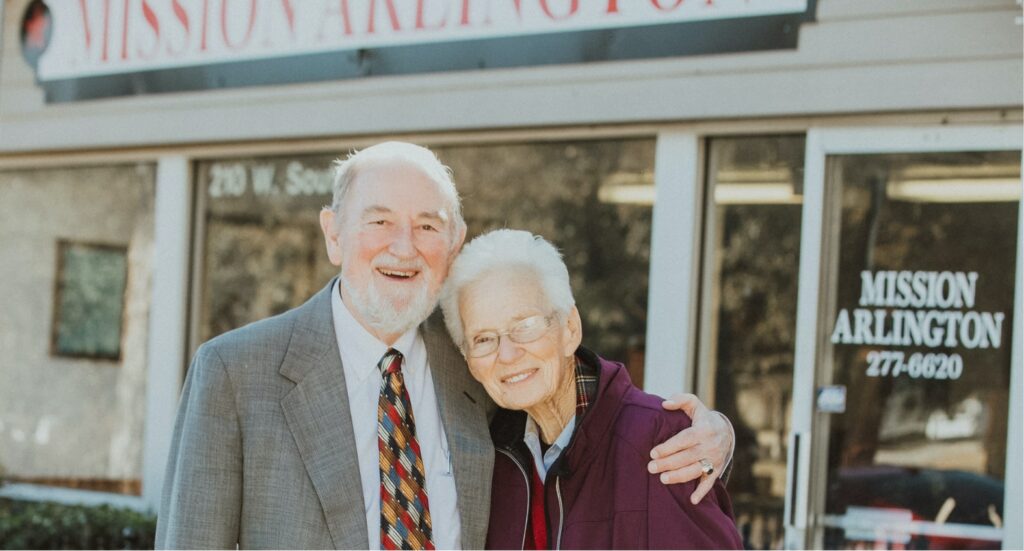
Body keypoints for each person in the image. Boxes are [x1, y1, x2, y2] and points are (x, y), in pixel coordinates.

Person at [155, 141, 734, 549]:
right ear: (334, 233)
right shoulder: (234, 372)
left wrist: (703, 434)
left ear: (453, 244)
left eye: (428, 226)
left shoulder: (478, 360)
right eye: (378, 222)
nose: (403, 248)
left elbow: (581, 406)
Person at [439, 228, 743, 549]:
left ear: (570, 329)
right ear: (467, 359)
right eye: (484, 339)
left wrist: (724, 439)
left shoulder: (661, 441)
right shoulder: (488, 456)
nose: (508, 354)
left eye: (525, 326)